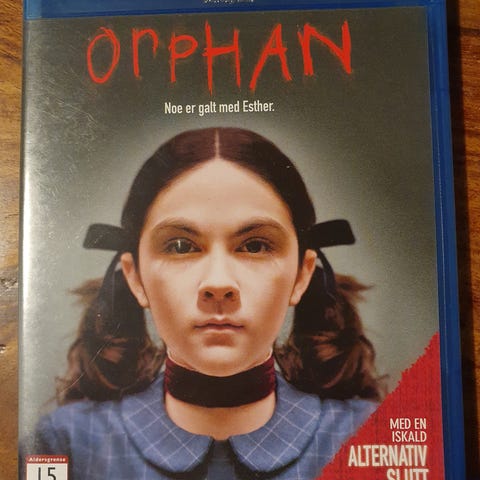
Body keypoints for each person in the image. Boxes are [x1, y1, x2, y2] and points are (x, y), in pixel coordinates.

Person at [33, 127, 380, 479]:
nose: (218, 283)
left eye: (255, 246)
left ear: (301, 275)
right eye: (180, 246)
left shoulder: (371, 439)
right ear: (135, 277)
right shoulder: (63, 444)